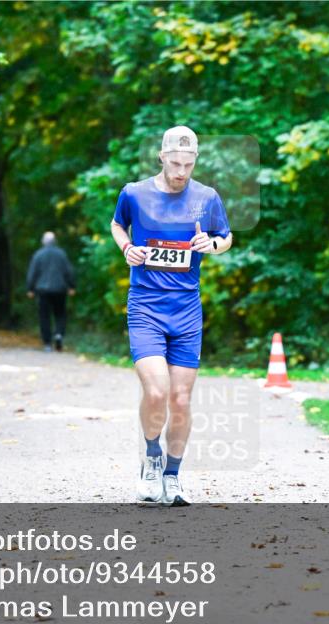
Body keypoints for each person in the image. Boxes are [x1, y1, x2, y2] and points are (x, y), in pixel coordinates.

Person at [110, 126, 233, 506]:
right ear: (162, 157)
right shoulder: (134, 193)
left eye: (189, 164)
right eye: (176, 163)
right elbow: (117, 224)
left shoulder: (206, 197)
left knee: (180, 399)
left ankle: (173, 477)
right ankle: (151, 456)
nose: (182, 171)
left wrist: (210, 244)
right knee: (157, 390)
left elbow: (225, 237)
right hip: (145, 305)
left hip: (186, 309)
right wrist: (127, 247)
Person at [26, 231, 76, 351]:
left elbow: (32, 273)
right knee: (60, 314)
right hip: (60, 289)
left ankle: (47, 343)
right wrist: (71, 286)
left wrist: (30, 288)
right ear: (55, 242)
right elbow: (69, 271)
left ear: (43, 242)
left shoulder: (38, 254)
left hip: (42, 291)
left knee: (44, 316)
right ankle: (59, 334)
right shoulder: (61, 254)